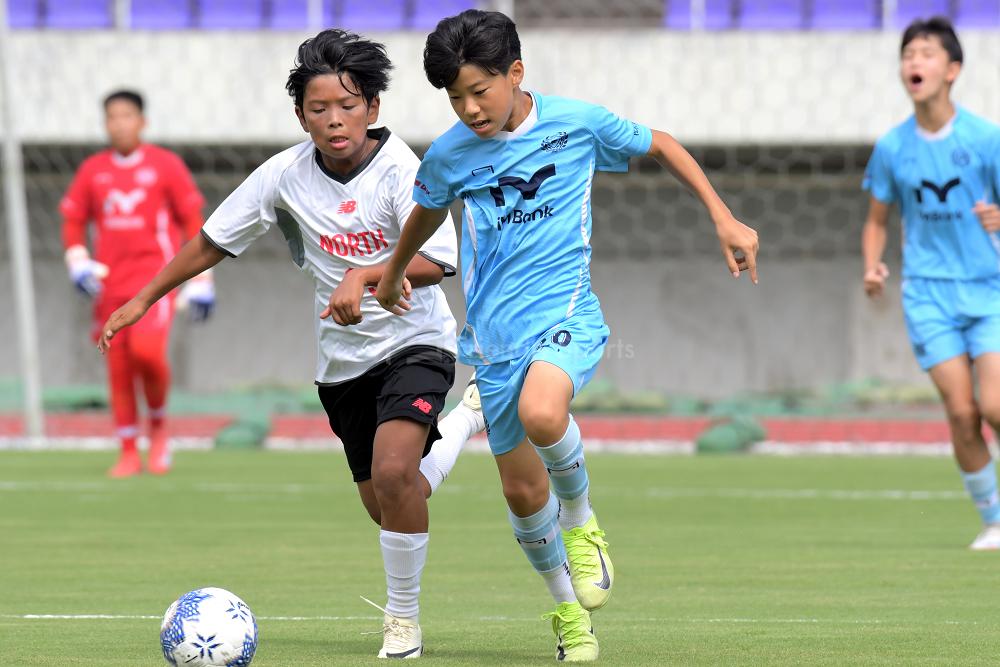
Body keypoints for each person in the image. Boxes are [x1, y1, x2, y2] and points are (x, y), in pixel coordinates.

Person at [375, 9, 759, 661]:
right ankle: (568, 614)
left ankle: (582, 520)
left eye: (480, 91)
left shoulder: (576, 124)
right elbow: (427, 211)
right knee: (523, 494)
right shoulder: (449, 154)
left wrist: (723, 216)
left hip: (567, 314)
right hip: (494, 342)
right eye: (455, 98)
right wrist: (391, 275)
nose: (470, 109)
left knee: (544, 412)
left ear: (515, 72)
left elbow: (662, 144)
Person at [96, 30, 484, 658]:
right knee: (391, 500)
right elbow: (212, 240)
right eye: (318, 108)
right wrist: (145, 298)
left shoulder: (402, 169)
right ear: (301, 116)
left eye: (348, 106)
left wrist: (367, 276)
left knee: (394, 473)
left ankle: (403, 622)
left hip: (418, 341)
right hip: (343, 362)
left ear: (373, 108)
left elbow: (440, 261)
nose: (334, 120)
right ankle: (465, 422)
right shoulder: (283, 175)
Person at [861, 17, 1000, 550]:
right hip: (928, 294)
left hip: (988, 289)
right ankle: (994, 522)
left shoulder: (985, 139)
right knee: (962, 413)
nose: (913, 62)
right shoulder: (893, 147)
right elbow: (876, 220)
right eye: (907, 54)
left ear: (953, 69)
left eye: (925, 53)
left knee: (995, 406)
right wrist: (872, 265)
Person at [61, 90, 214, 478]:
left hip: (155, 285)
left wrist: (202, 279)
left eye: (127, 115)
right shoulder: (93, 170)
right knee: (118, 366)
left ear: (142, 121)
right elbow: (74, 220)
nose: (119, 124)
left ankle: (158, 428)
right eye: (112, 117)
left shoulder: (165, 165)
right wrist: (77, 261)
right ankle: (128, 450)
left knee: (147, 353)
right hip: (109, 287)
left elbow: (192, 219)